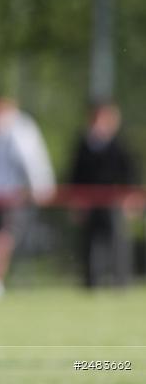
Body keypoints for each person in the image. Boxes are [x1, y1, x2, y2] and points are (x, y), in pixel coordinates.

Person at [0, 95, 56, 303]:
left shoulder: (23, 130)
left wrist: (41, 188)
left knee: (1, 240)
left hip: (11, 196)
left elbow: (33, 161)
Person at [68, 102, 140, 287]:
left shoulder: (120, 146)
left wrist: (130, 198)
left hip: (114, 201)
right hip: (90, 201)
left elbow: (130, 174)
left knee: (117, 240)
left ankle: (120, 282)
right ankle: (91, 282)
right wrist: (76, 201)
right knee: (91, 243)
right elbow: (75, 175)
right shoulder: (84, 146)